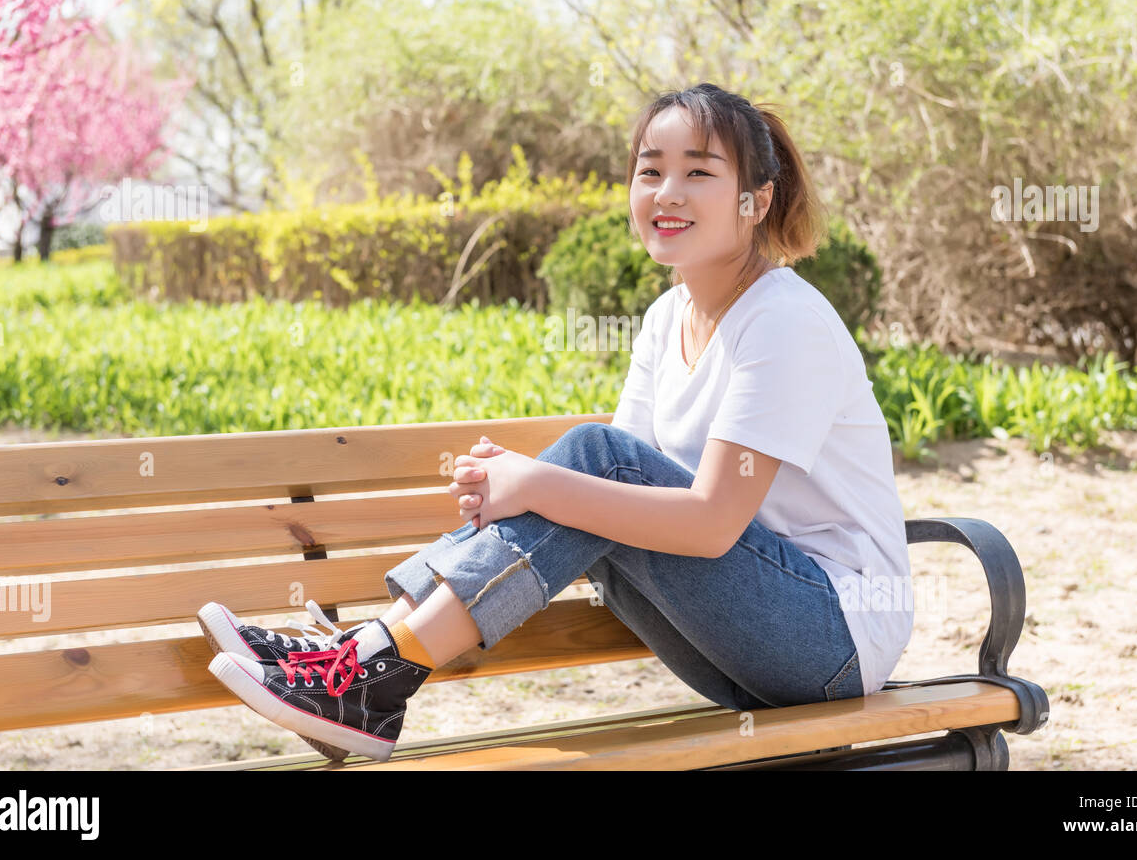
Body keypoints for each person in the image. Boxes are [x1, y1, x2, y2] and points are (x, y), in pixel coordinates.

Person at [200, 82, 914, 763]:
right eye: (650, 170)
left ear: (756, 201)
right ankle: (359, 666)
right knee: (588, 471)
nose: (666, 193)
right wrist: (531, 486)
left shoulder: (783, 319)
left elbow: (710, 521)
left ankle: (369, 669)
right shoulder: (667, 319)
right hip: (741, 637)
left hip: (831, 636)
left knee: (588, 462)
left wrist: (535, 482)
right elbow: (619, 481)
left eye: (699, 173)